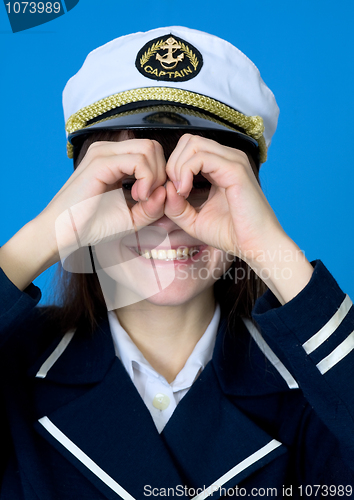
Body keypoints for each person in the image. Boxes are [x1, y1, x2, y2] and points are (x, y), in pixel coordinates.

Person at [0, 26, 353, 499]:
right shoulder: (14, 366)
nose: (167, 213)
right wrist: (43, 236)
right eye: (128, 182)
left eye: (201, 180)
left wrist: (268, 246)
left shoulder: (318, 383)